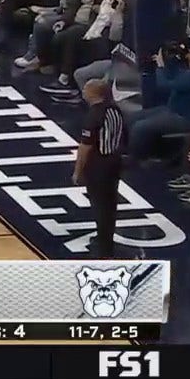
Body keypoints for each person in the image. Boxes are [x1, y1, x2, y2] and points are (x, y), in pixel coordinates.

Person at [73, 79, 126, 258]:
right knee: (110, 204)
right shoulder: (115, 109)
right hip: (115, 162)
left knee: (100, 206)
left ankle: (104, 248)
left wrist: (78, 171)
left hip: (99, 165)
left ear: (94, 93)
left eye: (86, 89)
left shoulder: (94, 115)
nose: (83, 92)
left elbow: (85, 147)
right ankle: (104, 239)